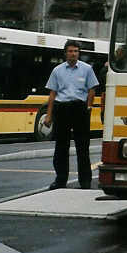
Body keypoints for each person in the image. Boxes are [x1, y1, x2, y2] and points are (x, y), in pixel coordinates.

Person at [43, 40, 99, 190]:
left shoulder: (87, 69)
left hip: (80, 109)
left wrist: (89, 106)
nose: (73, 54)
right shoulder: (57, 70)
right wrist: (48, 115)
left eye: (75, 51)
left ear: (79, 53)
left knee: (83, 146)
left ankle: (85, 181)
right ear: (65, 53)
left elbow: (92, 89)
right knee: (61, 147)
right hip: (62, 109)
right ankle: (60, 180)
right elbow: (52, 94)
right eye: (70, 51)